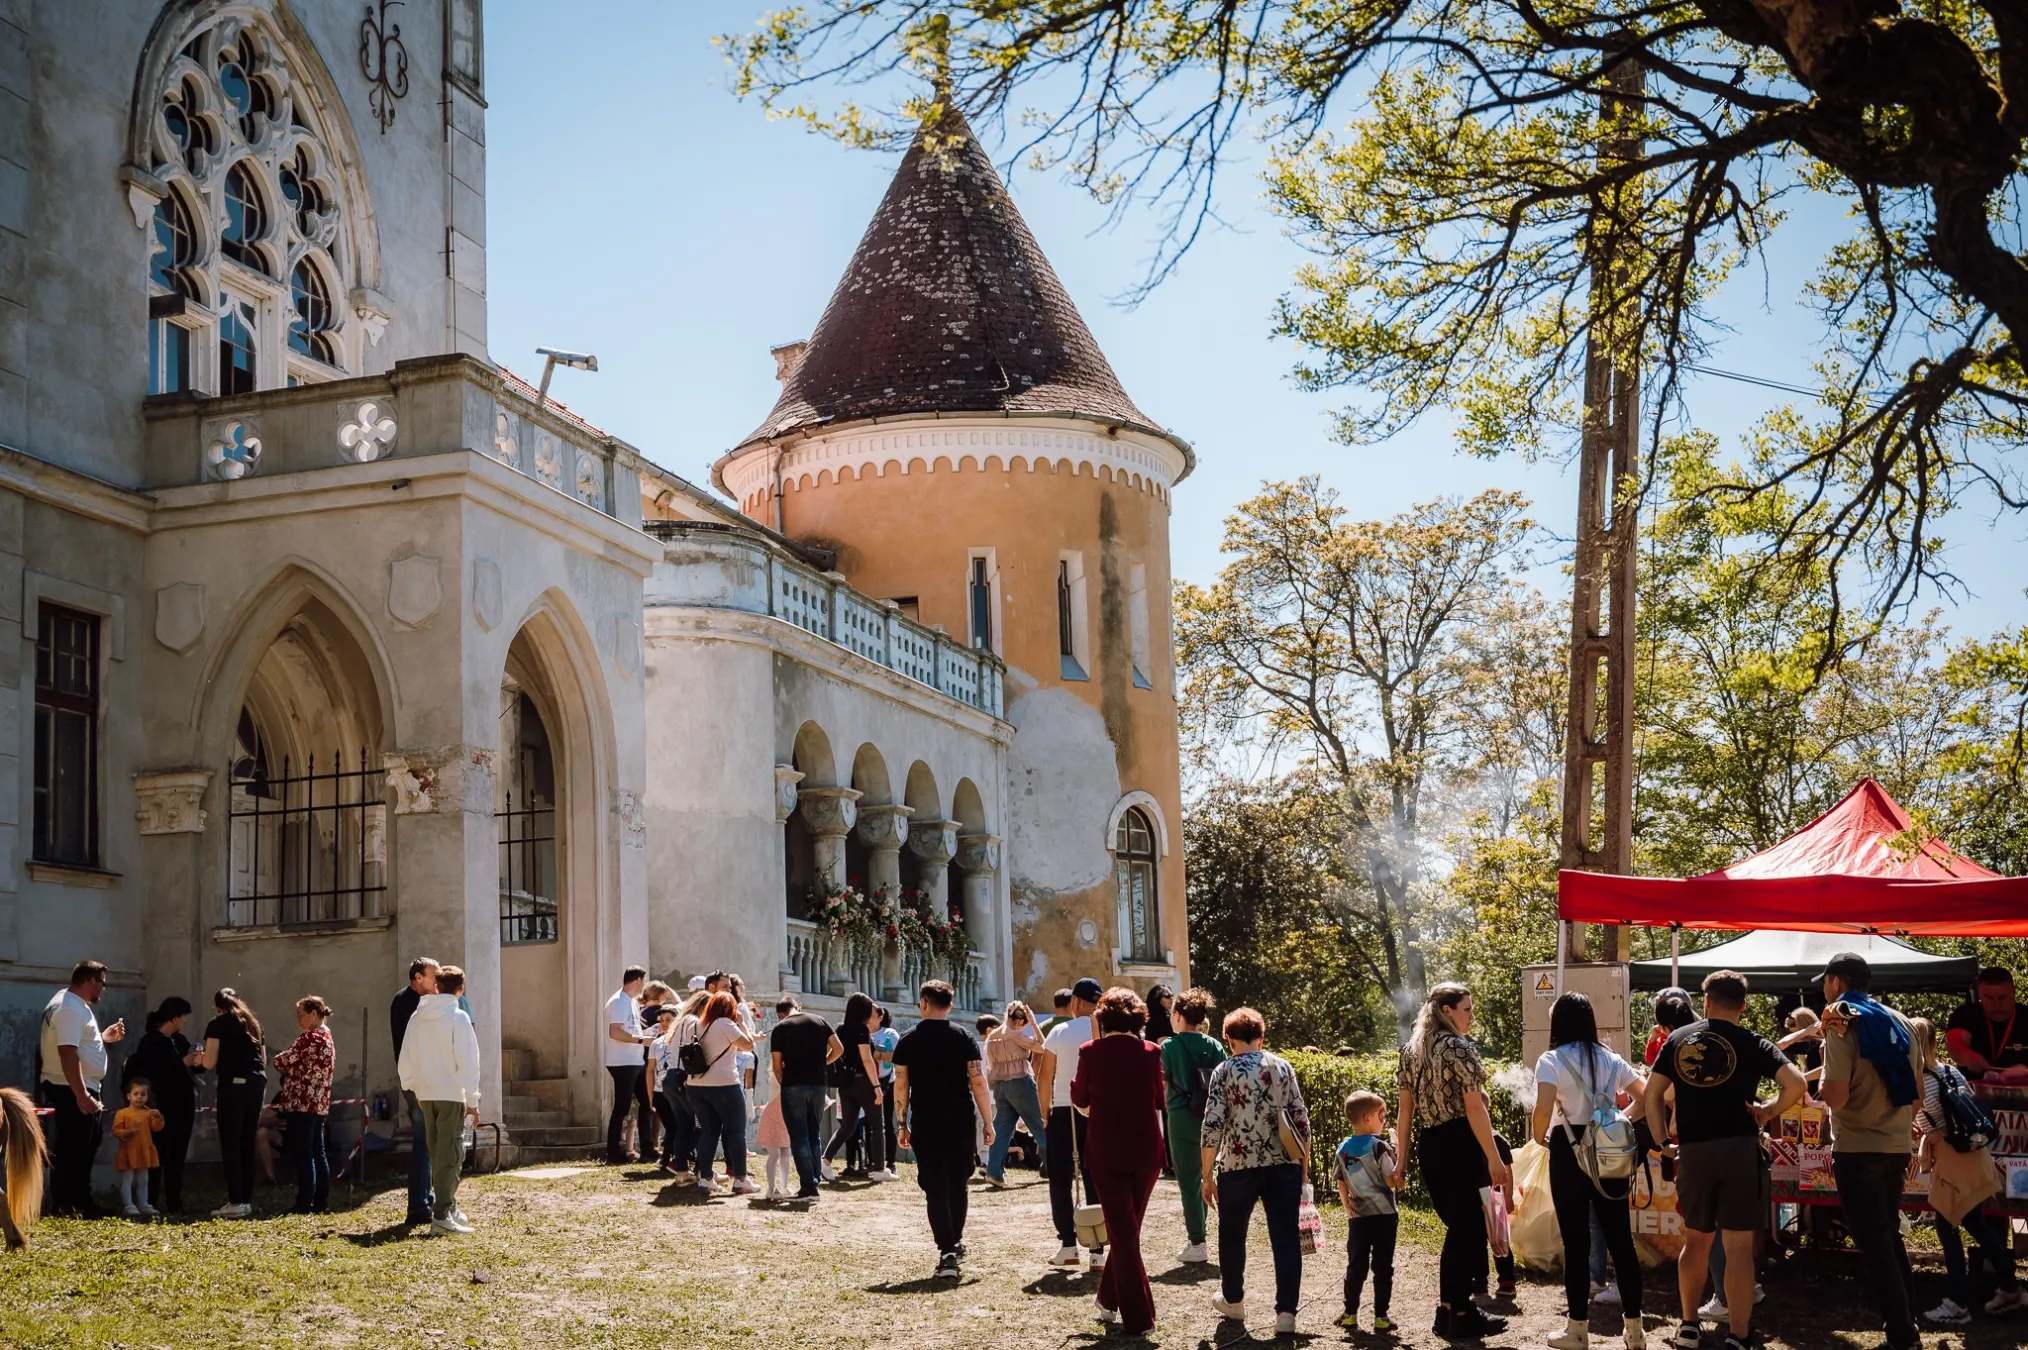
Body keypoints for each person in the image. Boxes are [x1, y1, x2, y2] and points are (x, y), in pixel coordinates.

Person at [1644, 970, 1804, 1350]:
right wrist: (1767, 1109)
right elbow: (1796, 1083)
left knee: (1696, 1241)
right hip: (1739, 1150)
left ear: (1707, 1002)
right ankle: (1739, 1335)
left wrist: (1663, 1141)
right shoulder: (1753, 1042)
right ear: (1744, 1006)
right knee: (1737, 1248)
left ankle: (1687, 1326)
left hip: (1694, 1152)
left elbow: (1652, 1095)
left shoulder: (1679, 1040)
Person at [1819, 952, 1923, 1350]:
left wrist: (1824, 1094)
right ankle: (1907, 1322)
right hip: (1897, 1144)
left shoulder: (1840, 1018)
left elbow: (1837, 1096)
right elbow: (1915, 1094)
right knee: (1887, 1236)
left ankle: (1901, 1335)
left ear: (1837, 981)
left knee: (1874, 1243)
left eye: (1825, 981)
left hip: (1858, 1146)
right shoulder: (1900, 1020)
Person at [1531, 991, 1647, 1350]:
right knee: (1621, 1241)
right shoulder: (1610, 1057)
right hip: (1608, 1149)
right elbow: (1644, 1097)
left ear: (1558, 1022)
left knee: (1576, 1242)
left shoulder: (1550, 1060)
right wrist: (1615, 1120)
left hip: (1569, 1149)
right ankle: (1635, 1331)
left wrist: (1540, 1137)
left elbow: (1543, 1109)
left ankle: (1577, 1330)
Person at [1395, 982, 1510, 1340]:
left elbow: (1404, 1112)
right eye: (1467, 1008)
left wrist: (1400, 1161)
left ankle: (1449, 1310)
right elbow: (1475, 1108)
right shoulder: (1459, 1048)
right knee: (1466, 1232)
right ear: (1447, 1011)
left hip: (1431, 1146)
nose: (1472, 1015)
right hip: (1461, 1143)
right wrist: (1494, 1157)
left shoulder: (1412, 1050)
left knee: (1458, 1232)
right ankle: (1459, 1313)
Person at [1201, 1005, 1311, 1337]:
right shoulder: (1282, 1067)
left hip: (1237, 1165)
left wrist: (1207, 1175)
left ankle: (1234, 1301)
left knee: (1232, 1234)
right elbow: (1301, 1120)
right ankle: (1286, 1313)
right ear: (1261, 1037)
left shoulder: (1223, 1071)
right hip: (1282, 1163)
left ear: (1229, 1039)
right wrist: (1303, 1168)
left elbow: (1212, 1125)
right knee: (1286, 1238)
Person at [1910, 1016, 2025, 1324]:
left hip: (1952, 1158)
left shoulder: (1918, 1080)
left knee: (1946, 1228)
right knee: (1975, 1224)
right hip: (1974, 1154)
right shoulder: (1949, 1071)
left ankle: (1957, 1304)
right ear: (1933, 1041)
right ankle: (2011, 1287)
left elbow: (1917, 1119)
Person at [1073, 987, 1166, 1335]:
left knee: (1125, 1235)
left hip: (1107, 1150)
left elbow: (1079, 1097)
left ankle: (1139, 1318)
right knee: (1128, 1232)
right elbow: (1158, 1099)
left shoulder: (1090, 1052)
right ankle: (1107, 1299)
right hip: (1146, 1151)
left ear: (1103, 1018)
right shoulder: (1152, 1052)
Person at [893, 979, 995, 1281]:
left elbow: (901, 1085)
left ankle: (947, 1249)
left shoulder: (908, 1040)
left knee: (935, 1187)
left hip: (926, 1121)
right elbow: (978, 1082)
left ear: (923, 1003)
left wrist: (902, 1123)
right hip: (960, 1120)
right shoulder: (964, 1037)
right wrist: (988, 1122)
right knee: (958, 1182)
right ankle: (954, 1242)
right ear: (950, 1005)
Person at [397, 963, 482, 1236]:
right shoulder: (457, 1018)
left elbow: (405, 1055)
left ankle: (449, 1206)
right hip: (450, 1094)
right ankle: (442, 1215)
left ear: (436, 986)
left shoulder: (416, 1017)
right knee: (452, 1154)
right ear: (460, 990)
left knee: (436, 1153)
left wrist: (412, 1086)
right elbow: (469, 1062)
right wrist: (473, 1100)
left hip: (425, 1094)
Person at [37, 960, 125, 1218]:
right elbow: (67, 1051)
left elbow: (79, 1042)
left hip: (76, 1085)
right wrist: (81, 1095)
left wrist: (103, 1037)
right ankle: (71, 1203)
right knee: (74, 1146)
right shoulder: (69, 1009)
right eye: (102, 983)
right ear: (90, 981)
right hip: (71, 1086)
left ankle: (77, 1201)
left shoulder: (71, 1003)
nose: (103, 989)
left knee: (83, 1143)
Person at [1038, 977, 1106, 1270]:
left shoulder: (1059, 1031)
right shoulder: (1104, 1031)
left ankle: (1068, 1245)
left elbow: (1044, 1076)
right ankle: (1097, 1250)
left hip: (1064, 1109)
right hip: (1097, 1111)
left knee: (1061, 1179)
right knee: (1096, 1178)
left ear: (1075, 1002)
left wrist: (1044, 1112)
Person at [119, 997, 202, 1214]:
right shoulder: (151, 1042)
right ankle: (151, 1200)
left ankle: (175, 1201)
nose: (184, 1021)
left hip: (183, 1104)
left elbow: (192, 1069)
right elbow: (155, 1073)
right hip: (162, 1106)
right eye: (183, 1016)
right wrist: (181, 1063)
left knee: (178, 1154)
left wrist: (197, 1060)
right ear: (173, 1017)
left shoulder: (179, 1040)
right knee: (157, 1153)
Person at [1160, 987, 1225, 1264]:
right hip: (1212, 1117)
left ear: (1178, 1015)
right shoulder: (1215, 1046)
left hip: (1181, 1116)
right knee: (1206, 1175)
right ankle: (1202, 1233)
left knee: (1188, 1180)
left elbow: (1162, 1087)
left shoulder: (1169, 1047)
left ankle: (1197, 1241)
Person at [1333, 1090, 1400, 1332]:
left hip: (1358, 1217)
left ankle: (1350, 1314)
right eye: (1382, 1115)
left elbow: (1340, 1179)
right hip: (1384, 1217)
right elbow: (1392, 1181)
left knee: (1355, 1265)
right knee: (1383, 1267)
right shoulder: (1380, 1147)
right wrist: (1398, 1149)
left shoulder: (1343, 1148)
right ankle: (1381, 1317)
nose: (1384, 1120)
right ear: (1369, 1118)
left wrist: (1346, 1204)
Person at [768, 994, 843, 1200]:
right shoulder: (820, 1021)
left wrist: (785, 1082)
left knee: (799, 1136)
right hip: (818, 1084)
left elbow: (776, 1066)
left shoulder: (781, 1028)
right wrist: (823, 1063)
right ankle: (814, 1183)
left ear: (781, 1014)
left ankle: (808, 1186)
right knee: (813, 1133)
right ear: (797, 1007)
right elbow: (839, 1048)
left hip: (793, 1084)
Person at [200, 987, 266, 1219]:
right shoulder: (253, 1023)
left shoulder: (217, 1023)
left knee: (231, 1142)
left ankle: (235, 1202)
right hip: (257, 1083)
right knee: (247, 1141)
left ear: (218, 1007)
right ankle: (246, 1200)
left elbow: (209, 1062)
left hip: (233, 1085)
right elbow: (263, 1059)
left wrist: (197, 1058)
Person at [689, 991, 758, 1196]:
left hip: (696, 1085)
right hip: (725, 1084)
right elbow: (749, 1045)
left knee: (709, 1131)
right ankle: (741, 1179)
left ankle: (706, 1178)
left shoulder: (697, 1024)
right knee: (736, 1132)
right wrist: (741, 1023)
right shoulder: (726, 1024)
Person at [390, 957, 442, 1224]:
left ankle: (427, 1199)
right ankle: (417, 1207)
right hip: (417, 1083)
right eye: (434, 976)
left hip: (423, 1080)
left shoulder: (420, 1000)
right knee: (422, 1142)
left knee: (428, 1142)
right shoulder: (407, 1003)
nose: (437, 981)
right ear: (418, 978)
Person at [274, 995, 337, 1214]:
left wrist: (292, 1068)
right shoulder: (327, 1037)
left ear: (313, 1014)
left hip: (301, 1105)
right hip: (319, 1105)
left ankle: (304, 1202)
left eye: (300, 1015)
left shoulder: (308, 1038)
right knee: (318, 1153)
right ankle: (321, 1201)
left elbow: (280, 1060)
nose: (298, 1020)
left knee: (304, 1155)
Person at [824, 992, 890, 1181]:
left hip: (845, 1083)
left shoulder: (840, 1029)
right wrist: (876, 1086)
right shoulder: (861, 1030)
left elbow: (835, 1053)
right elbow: (867, 1059)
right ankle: (879, 1168)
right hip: (863, 1081)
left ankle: (826, 1160)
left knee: (847, 1126)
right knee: (877, 1124)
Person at [983, 999, 1048, 1187]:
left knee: (1001, 1130)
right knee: (1039, 1124)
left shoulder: (992, 1035)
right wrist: (1035, 1024)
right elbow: (1042, 1046)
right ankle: (1055, 1166)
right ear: (1020, 1022)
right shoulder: (1016, 1036)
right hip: (1020, 1083)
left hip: (1000, 1086)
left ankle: (994, 1172)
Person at [602, 966, 656, 1163]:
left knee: (648, 1102)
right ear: (637, 981)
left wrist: (648, 1034)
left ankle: (648, 1148)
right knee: (622, 1107)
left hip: (635, 1060)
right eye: (643, 982)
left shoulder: (631, 1002)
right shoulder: (618, 1002)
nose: (643, 986)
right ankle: (613, 1152)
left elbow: (631, 1030)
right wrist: (642, 1041)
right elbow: (615, 1032)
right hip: (623, 1062)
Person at [1946, 966, 2028, 1079]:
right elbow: (1954, 1043)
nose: (1996, 1005)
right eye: (1989, 998)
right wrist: (1968, 1056)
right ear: (1979, 994)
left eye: (2002, 997)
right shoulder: (1967, 1014)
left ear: (2014, 992)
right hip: (1974, 1091)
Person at [109, 1079, 165, 1218]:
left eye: (143, 1094)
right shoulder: (122, 1113)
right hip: (128, 1151)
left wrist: (159, 1117)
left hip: (144, 1151)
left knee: (143, 1179)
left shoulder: (148, 1113)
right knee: (128, 1179)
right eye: (136, 1093)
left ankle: (143, 1204)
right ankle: (128, 1205)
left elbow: (157, 1128)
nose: (139, 1097)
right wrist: (127, 1133)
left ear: (147, 1096)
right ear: (129, 1096)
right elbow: (116, 1130)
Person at [872, 1005, 900, 1165]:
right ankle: (873, 1161)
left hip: (888, 1082)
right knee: (871, 1123)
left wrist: (878, 1055)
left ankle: (890, 1161)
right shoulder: (863, 1033)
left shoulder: (889, 1034)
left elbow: (897, 1056)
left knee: (887, 1122)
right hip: (869, 1082)